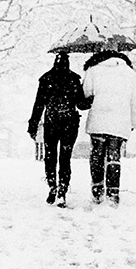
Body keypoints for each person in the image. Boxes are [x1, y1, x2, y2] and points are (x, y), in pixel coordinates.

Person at [27, 51, 91, 207]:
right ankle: (62, 190)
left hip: (51, 123)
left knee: (50, 157)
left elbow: (39, 104)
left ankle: (52, 187)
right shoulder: (74, 79)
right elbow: (81, 105)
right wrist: (91, 99)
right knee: (65, 157)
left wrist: (33, 125)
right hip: (69, 124)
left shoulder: (46, 79)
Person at [82, 50, 136, 206]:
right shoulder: (129, 73)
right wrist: (133, 123)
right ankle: (113, 193)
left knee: (96, 156)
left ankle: (97, 190)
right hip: (119, 121)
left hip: (98, 120)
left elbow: (86, 93)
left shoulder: (93, 69)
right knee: (114, 158)